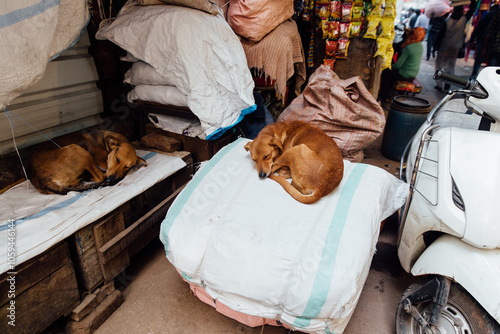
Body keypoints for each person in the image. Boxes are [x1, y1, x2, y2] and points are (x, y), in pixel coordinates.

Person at [434, 0, 477, 90]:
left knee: (439, 66)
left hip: (444, 47)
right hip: (454, 48)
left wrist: (435, 47)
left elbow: (440, 36)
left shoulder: (447, 21)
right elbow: (472, 9)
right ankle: (447, 83)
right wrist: (472, 1)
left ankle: (439, 85)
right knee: (450, 67)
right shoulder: (463, 19)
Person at [379, 27, 427, 101]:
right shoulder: (420, 46)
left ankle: (386, 97)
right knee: (390, 73)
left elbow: (398, 65)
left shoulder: (408, 47)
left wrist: (388, 67)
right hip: (413, 74)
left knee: (386, 73)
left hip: (404, 74)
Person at [469, 5, 498, 76]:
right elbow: (485, 31)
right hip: (489, 43)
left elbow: (478, 29)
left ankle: (474, 75)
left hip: (487, 42)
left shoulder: (487, 17)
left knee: (480, 59)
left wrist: (472, 39)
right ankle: (475, 75)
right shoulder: (490, 17)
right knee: (488, 63)